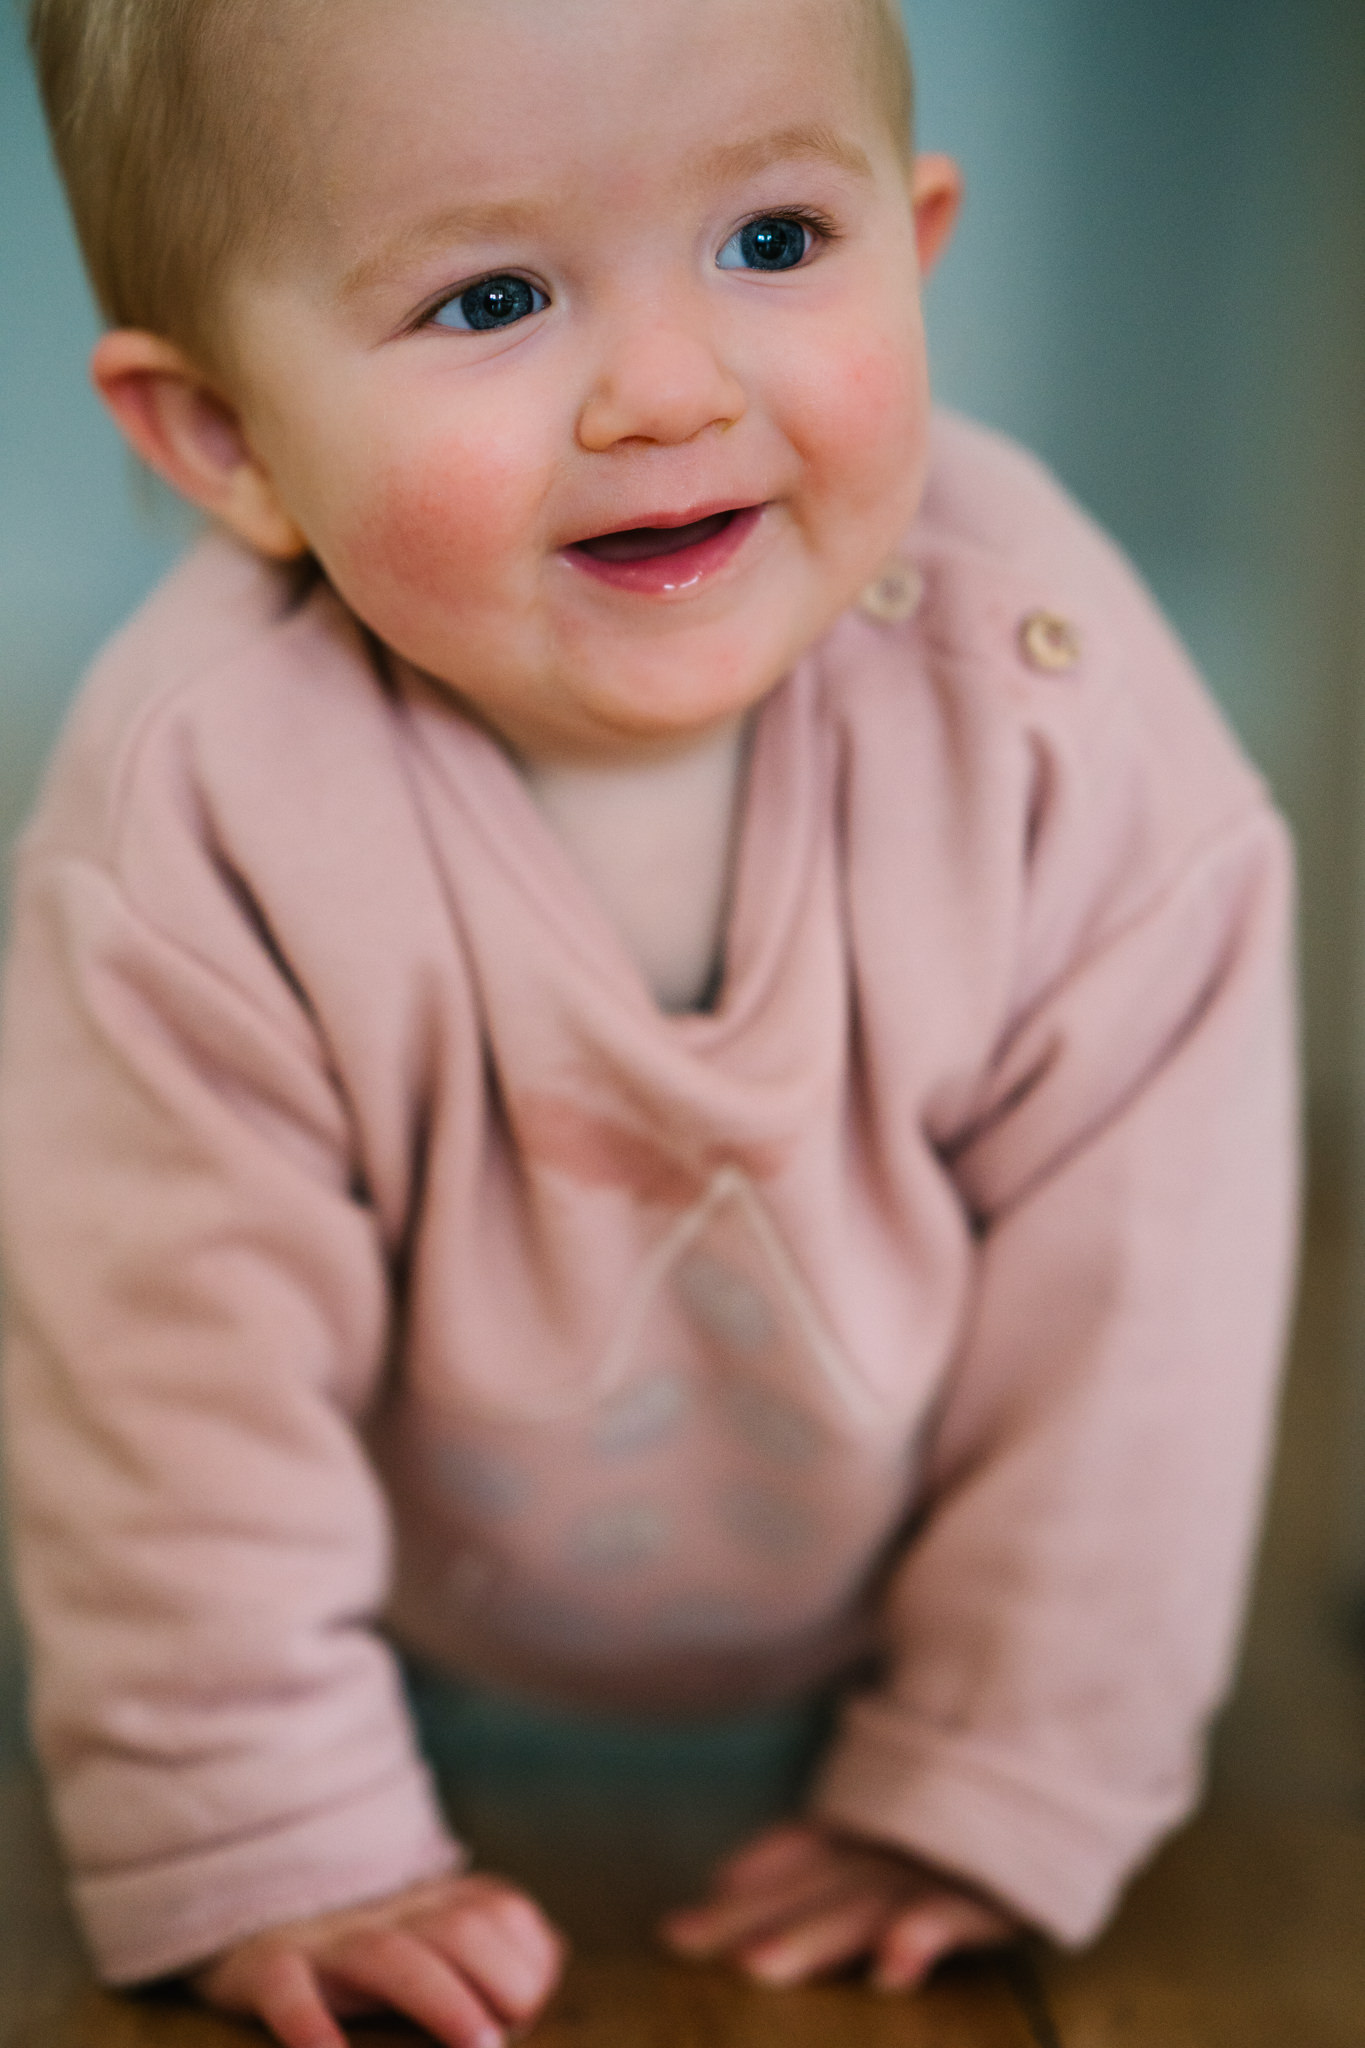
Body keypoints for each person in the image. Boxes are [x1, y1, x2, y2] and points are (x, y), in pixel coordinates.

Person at [0, 0, 1298, 2044]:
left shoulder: (1055, 714)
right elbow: (163, 1364)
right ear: (229, 439)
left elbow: (1147, 1291)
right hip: (412, 1547)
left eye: (774, 243)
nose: (668, 389)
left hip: (907, 1517)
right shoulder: (203, 811)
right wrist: (262, 1816)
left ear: (914, 239)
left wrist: (1006, 1757)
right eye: (491, 294)